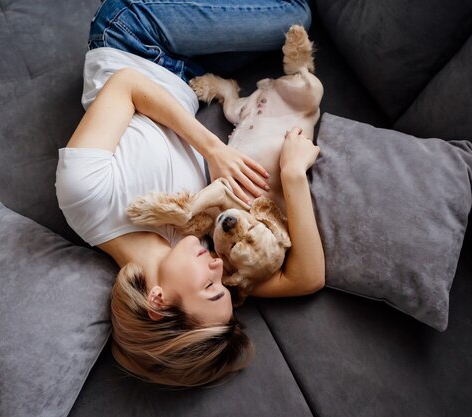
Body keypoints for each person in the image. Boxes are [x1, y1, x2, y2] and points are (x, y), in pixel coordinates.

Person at [55, 0, 324, 387]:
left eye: (211, 289)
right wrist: (293, 174)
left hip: (135, 37)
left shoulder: (86, 199)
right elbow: (307, 278)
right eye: (224, 287)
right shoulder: (200, 244)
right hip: (191, 76)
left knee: (296, 14)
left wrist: (213, 149)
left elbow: (126, 85)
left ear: (158, 301)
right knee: (289, 26)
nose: (219, 269)